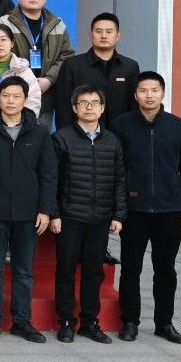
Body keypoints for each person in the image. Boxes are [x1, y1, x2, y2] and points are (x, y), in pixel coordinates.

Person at [112, 72, 181, 345]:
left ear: (162, 93)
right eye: (143, 90)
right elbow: (115, 169)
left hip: (168, 210)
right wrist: (117, 208)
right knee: (131, 269)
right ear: (135, 94)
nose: (149, 95)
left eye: (154, 90)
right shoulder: (121, 125)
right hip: (134, 210)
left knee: (166, 270)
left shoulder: (178, 127)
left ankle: (164, 323)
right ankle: (130, 321)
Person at [0, 76, 56, 343]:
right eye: (6, 95)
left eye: (16, 96)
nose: (10, 101)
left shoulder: (39, 132)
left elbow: (48, 174)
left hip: (29, 214)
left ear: (25, 99)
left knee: (24, 271)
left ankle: (22, 321)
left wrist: (46, 210)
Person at [50, 85, 126, 344]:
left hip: (101, 218)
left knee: (94, 272)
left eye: (95, 103)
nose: (89, 107)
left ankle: (90, 322)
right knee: (66, 271)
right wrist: (54, 213)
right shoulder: (61, 138)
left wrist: (118, 215)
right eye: (84, 103)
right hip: (70, 216)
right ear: (75, 108)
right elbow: (52, 179)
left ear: (102, 108)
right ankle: (66, 322)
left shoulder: (112, 141)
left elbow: (119, 180)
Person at [0, 0, 74, 117]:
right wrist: (24, 82)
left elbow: (66, 56)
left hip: (46, 96)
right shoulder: (4, 23)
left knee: (41, 132)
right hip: (13, 96)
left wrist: (49, 80)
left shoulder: (57, 24)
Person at [53, 12, 140, 128]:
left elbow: (134, 105)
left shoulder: (130, 67)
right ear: (90, 35)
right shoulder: (72, 65)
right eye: (98, 31)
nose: (103, 36)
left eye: (109, 32)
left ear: (118, 35)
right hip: (81, 135)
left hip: (120, 134)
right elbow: (63, 107)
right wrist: (66, 136)